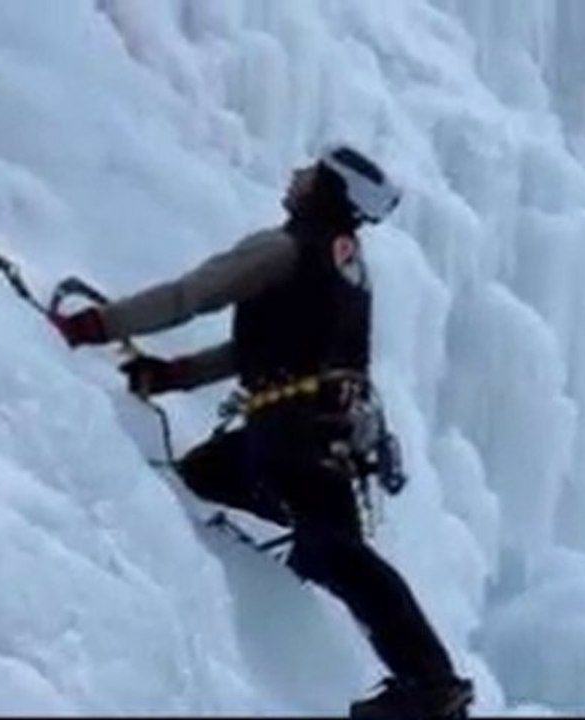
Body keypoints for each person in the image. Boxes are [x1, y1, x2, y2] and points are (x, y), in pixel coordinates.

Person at [50, 144, 474, 719]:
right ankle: (411, 673)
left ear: (326, 190)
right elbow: (271, 348)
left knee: (328, 547)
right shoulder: (347, 267)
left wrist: (93, 326)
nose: (296, 176)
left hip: (290, 433)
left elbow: (188, 296)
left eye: (310, 172)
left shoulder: (284, 248)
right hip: (326, 433)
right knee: (225, 490)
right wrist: (177, 375)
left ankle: (430, 682)